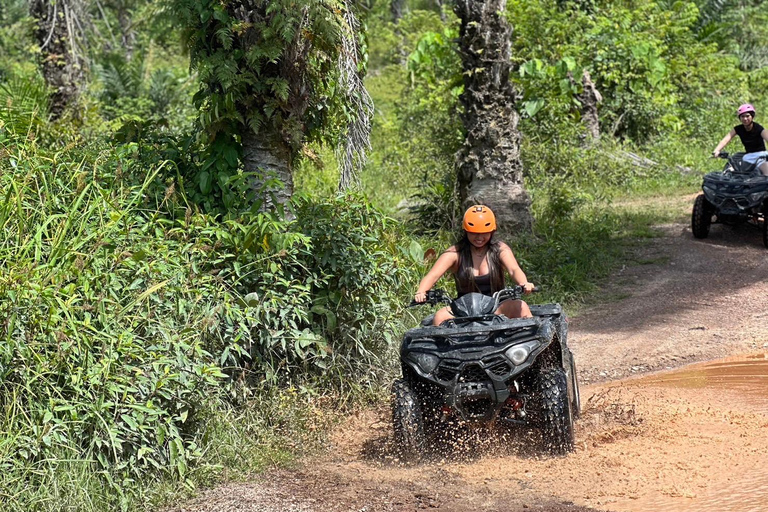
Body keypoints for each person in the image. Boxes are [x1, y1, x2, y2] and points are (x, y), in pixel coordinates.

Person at [414, 205, 535, 326]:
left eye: (484, 233)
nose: (479, 238)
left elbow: (514, 269)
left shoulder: (500, 250)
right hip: (462, 310)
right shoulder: (455, 253)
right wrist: (421, 292)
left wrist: (523, 283)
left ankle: (539, 342)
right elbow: (432, 275)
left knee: (521, 306)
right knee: (440, 316)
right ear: (466, 231)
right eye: (474, 233)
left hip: (497, 307)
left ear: (492, 232)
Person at [712, 103, 768, 176]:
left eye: (747, 116)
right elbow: (726, 139)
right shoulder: (738, 129)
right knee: (734, 171)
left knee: (766, 174)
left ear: (752, 116)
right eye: (742, 116)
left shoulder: (759, 128)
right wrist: (717, 150)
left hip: (761, 157)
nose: (745, 119)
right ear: (740, 118)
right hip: (748, 158)